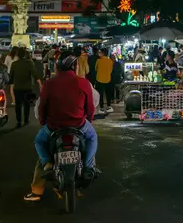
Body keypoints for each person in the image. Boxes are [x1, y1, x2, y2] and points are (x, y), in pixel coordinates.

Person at [23, 51, 97, 202]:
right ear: (75, 66)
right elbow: (90, 107)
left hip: (54, 127)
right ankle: (89, 167)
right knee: (92, 137)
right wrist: (88, 120)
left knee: (40, 143)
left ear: (57, 67)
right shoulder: (83, 83)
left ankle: (43, 175)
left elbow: (42, 107)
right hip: (79, 125)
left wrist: (44, 123)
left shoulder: (49, 83)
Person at [10, 47, 42, 128]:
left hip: (17, 88)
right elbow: (35, 74)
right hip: (27, 88)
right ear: (25, 54)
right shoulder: (29, 63)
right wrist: (40, 83)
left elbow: (11, 77)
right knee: (26, 105)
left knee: (18, 105)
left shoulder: (14, 64)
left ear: (17, 55)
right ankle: (26, 120)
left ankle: (18, 121)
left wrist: (9, 83)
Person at [95, 48, 114, 113]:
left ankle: (101, 108)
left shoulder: (98, 61)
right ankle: (109, 106)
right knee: (108, 93)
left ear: (103, 53)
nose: (99, 53)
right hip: (108, 79)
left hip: (99, 79)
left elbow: (96, 69)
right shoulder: (110, 61)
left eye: (100, 52)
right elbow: (111, 70)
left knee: (100, 94)